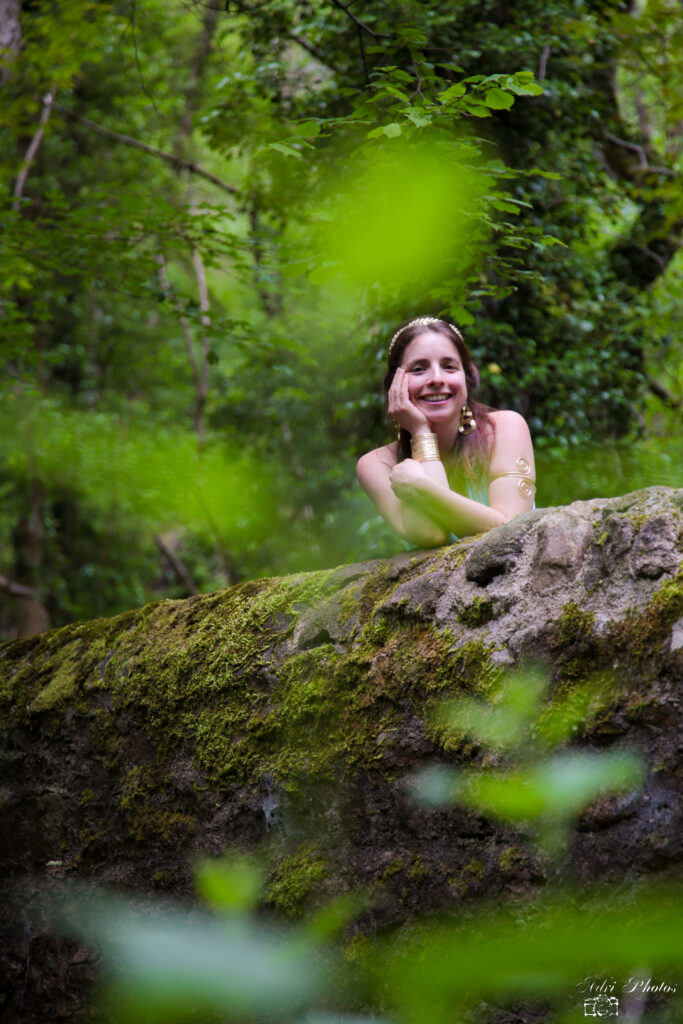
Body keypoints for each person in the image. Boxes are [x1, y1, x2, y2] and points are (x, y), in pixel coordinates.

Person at [356, 316, 536, 547]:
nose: (437, 379)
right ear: (395, 385)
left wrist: (421, 487)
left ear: (467, 378)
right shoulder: (377, 464)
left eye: (449, 367)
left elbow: (510, 532)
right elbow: (431, 534)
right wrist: (421, 432)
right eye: (419, 369)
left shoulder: (505, 428)